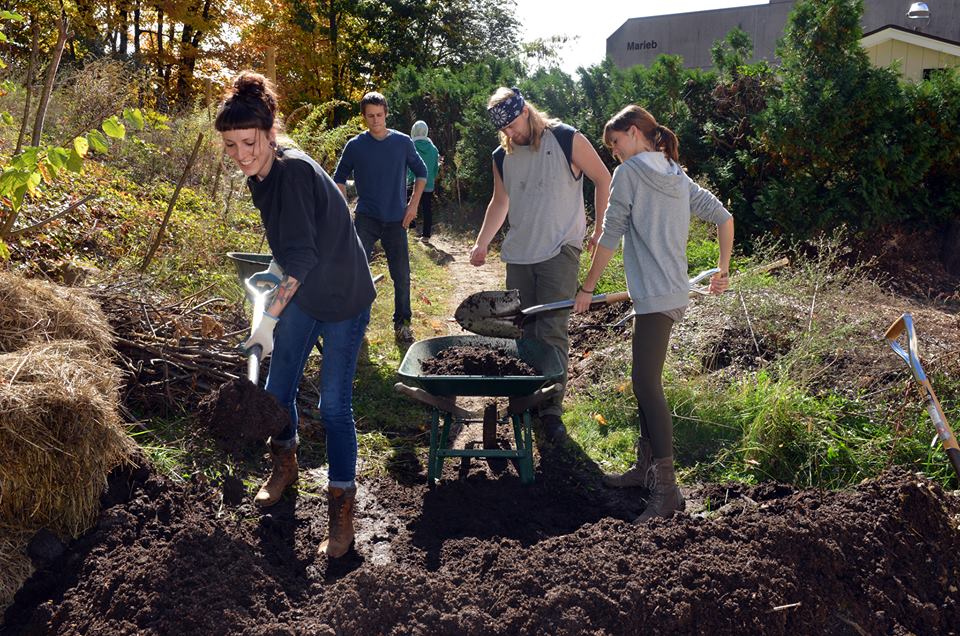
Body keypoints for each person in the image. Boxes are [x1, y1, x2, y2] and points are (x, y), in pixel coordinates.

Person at [215, 71, 376, 558]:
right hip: (306, 292)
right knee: (275, 394)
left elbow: (302, 258)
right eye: (230, 145)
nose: (241, 154)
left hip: (344, 298)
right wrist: (268, 285)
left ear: (268, 132)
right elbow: (289, 248)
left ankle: (341, 506)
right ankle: (284, 466)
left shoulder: (295, 171)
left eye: (249, 141)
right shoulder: (261, 176)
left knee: (333, 407)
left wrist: (269, 318)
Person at [573, 104, 734, 522]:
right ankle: (646, 467)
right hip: (667, 293)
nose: (614, 153)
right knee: (643, 380)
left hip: (659, 297)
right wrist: (723, 269)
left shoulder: (630, 174)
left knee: (646, 383)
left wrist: (587, 288)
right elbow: (724, 216)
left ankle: (667, 493)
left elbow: (610, 234)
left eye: (615, 143)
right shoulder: (675, 173)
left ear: (632, 133)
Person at [470, 87, 612, 442]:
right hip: (519, 254)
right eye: (504, 130)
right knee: (520, 331)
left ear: (527, 112)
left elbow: (603, 178)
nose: (511, 134)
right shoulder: (502, 155)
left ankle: (551, 410)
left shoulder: (565, 139)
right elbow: (500, 201)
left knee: (551, 332)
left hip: (559, 250)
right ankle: (525, 400)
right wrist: (482, 242)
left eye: (514, 125)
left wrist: (599, 228)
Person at [334, 92, 427, 343]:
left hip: (397, 219)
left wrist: (413, 206)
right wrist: (344, 210)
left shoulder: (402, 142)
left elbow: (422, 172)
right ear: (364, 117)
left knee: (401, 274)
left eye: (379, 115)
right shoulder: (355, 145)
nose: (375, 120)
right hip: (366, 218)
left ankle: (403, 323)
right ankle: (356, 321)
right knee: (355, 271)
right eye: (370, 116)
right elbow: (338, 177)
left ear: (386, 113)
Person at [406, 120, 440, 241]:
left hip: (412, 182)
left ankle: (409, 231)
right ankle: (426, 236)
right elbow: (436, 168)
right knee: (427, 209)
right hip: (428, 183)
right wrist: (431, 178)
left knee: (409, 205)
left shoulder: (410, 145)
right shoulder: (433, 149)